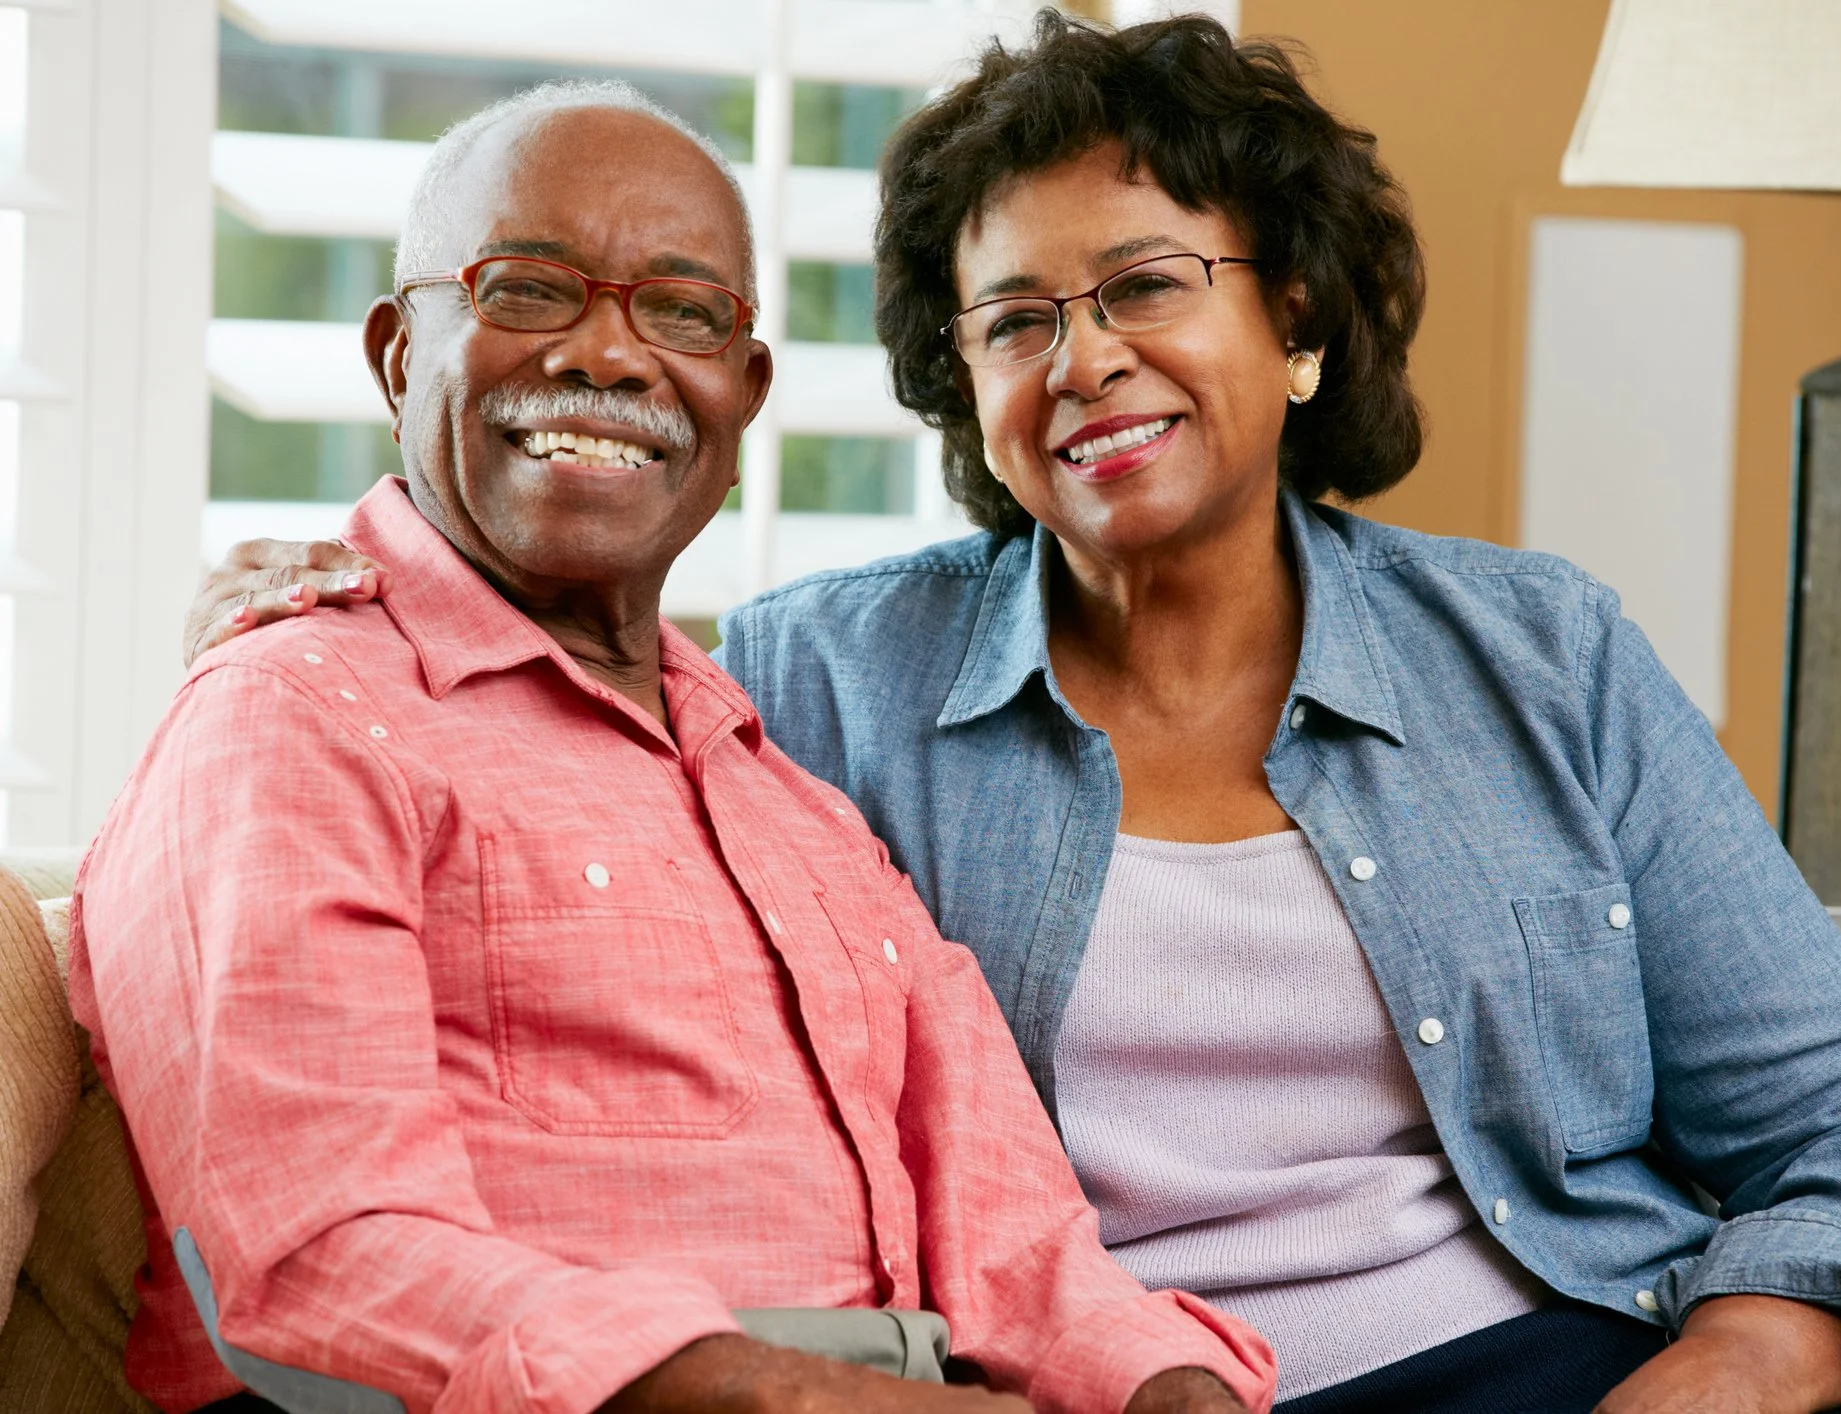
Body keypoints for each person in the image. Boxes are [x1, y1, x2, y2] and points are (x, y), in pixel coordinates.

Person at [185, 14, 1841, 1414]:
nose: (1083, 359)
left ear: (1293, 317)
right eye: (1012, 319)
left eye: (1148, 284)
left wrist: (1728, 1373)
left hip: (1555, 1362)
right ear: (960, 380)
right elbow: (546, 712)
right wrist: (336, 582)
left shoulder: (1543, 658)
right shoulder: (822, 681)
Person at [77, 81, 1276, 1414]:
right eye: (531, 288)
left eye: (683, 309)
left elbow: (1022, 1248)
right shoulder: (296, 713)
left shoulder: (794, 793)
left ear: (744, 390)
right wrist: (791, 1397)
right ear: (399, 354)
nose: (606, 355)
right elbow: (318, 1250)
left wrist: (1175, 1388)